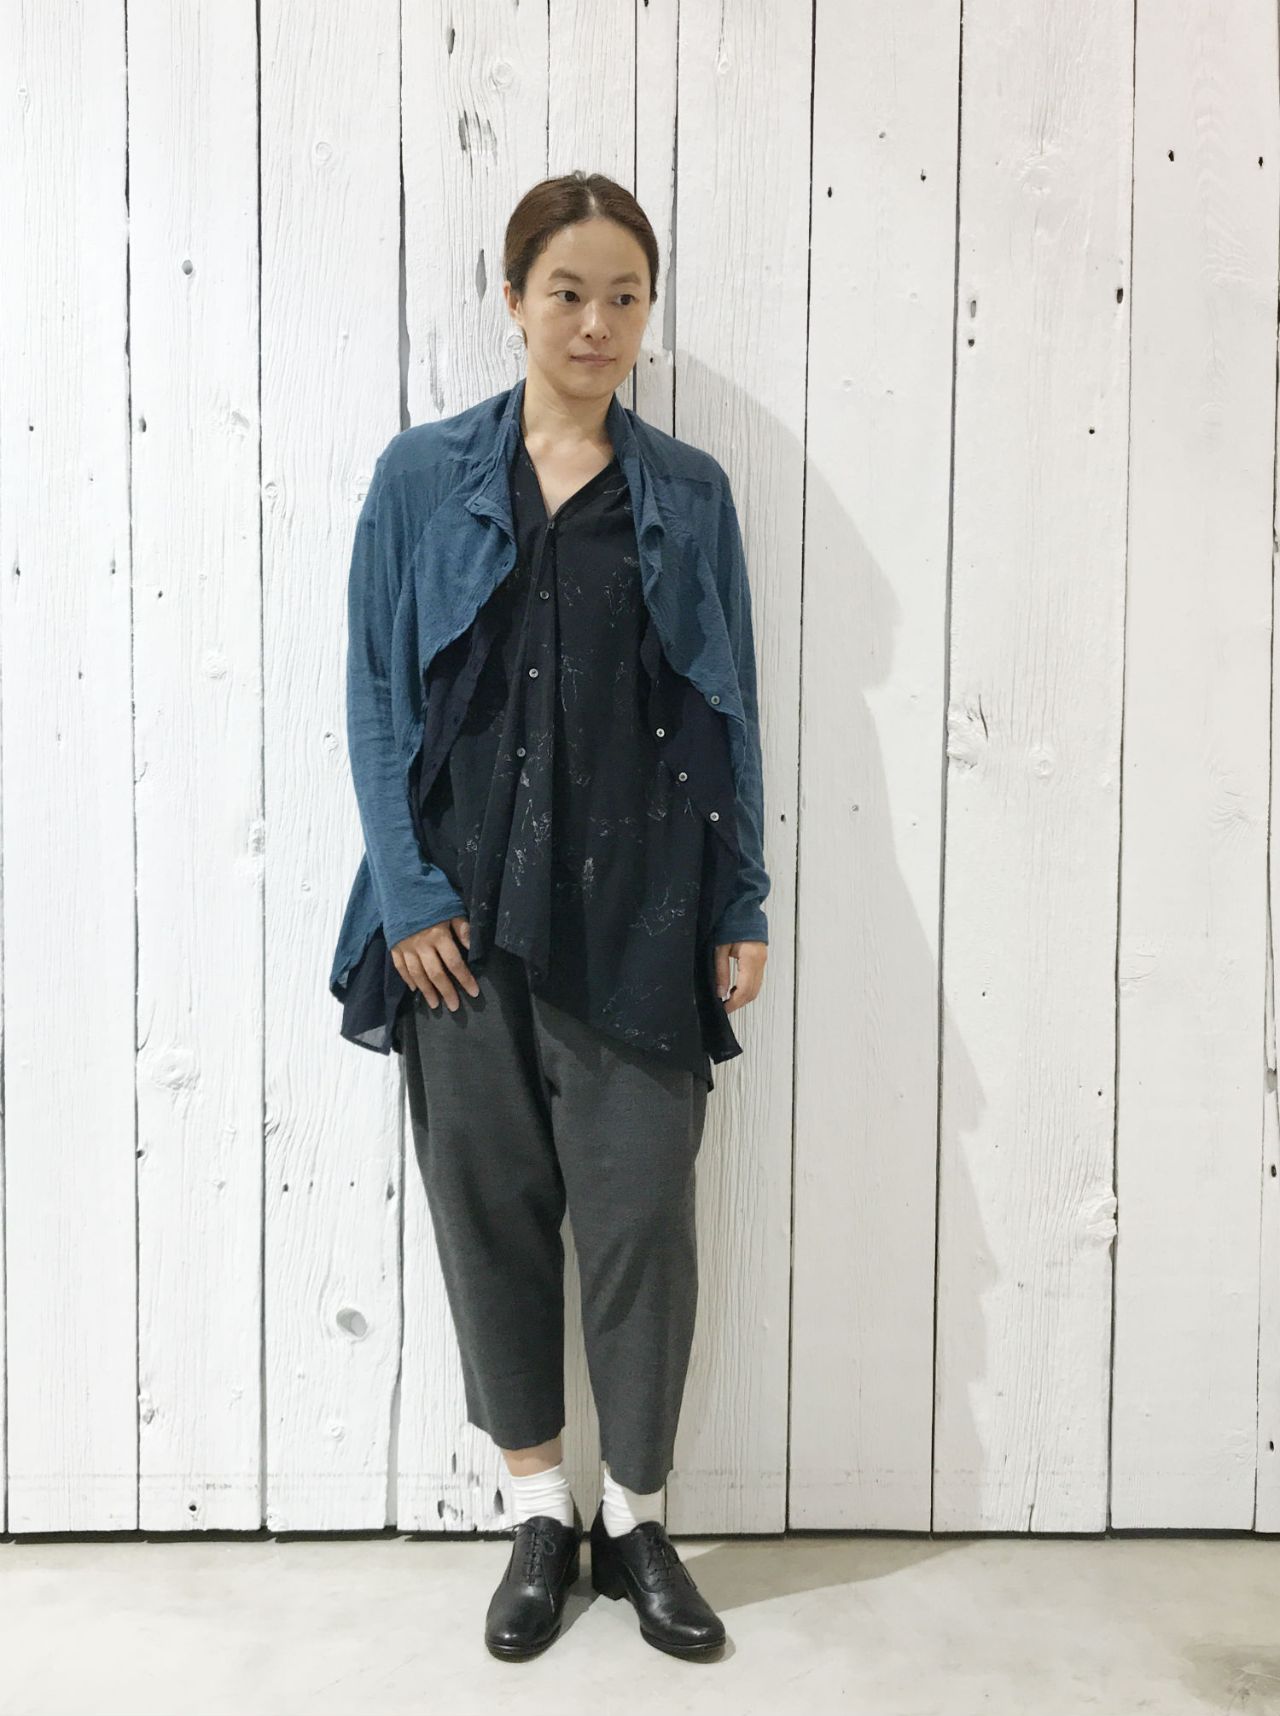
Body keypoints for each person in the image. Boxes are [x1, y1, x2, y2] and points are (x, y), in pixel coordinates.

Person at [331, 171, 770, 1662]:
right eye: (568, 292)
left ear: (648, 313)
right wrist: (407, 891)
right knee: (492, 1214)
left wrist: (741, 893)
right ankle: (537, 1514)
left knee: (643, 1222)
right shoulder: (422, 477)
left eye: (623, 297)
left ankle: (636, 1521)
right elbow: (375, 692)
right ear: (513, 297)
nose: (596, 323)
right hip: (456, 921)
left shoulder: (689, 494)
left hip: (645, 906)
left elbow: (729, 702)